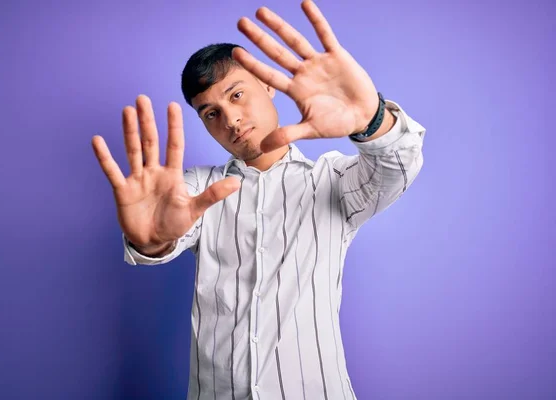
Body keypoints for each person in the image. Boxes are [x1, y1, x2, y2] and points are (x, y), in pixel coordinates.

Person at [91, 1, 426, 399]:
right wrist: (151, 242)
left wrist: (370, 119)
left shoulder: (333, 180)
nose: (230, 119)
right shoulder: (196, 190)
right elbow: (163, 235)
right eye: (210, 113)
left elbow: (397, 166)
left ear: (267, 85)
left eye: (237, 95)